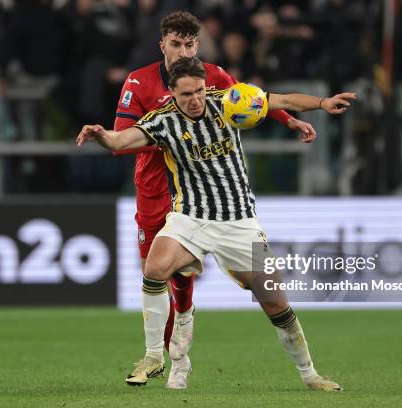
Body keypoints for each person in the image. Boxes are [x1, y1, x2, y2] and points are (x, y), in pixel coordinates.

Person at [77, 56, 356, 391]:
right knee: (155, 267)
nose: (193, 100)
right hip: (190, 218)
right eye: (184, 96)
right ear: (172, 94)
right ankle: (153, 356)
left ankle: (310, 375)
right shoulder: (161, 122)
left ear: (206, 87)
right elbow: (122, 141)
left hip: (240, 222)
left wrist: (322, 103)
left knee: (274, 300)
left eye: (197, 92)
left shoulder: (229, 103)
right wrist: (101, 135)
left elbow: (279, 100)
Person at [111, 10, 314, 389]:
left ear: (197, 46)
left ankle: (308, 372)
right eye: (175, 44)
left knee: (267, 291)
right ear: (163, 46)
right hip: (156, 188)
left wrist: (291, 121)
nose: (182, 51)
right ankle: (173, 358)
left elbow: (254, 102)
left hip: (211, 198)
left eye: (189, 44)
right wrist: (164, 125)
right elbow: (123, 138)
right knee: (163, 276)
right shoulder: (138, 81)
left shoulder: (212, 77)